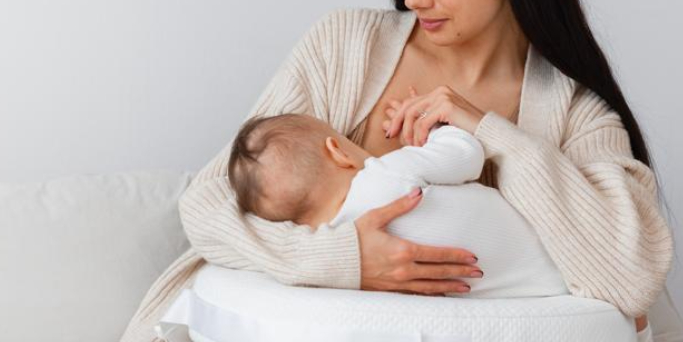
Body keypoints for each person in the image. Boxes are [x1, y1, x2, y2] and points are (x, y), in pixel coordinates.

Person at [120, 0, 673, 342]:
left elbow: (629, 276)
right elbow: (208, 202)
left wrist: (486, 130)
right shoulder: (344, 48)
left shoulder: (575, 113)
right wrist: (343, 258)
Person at [225, 112, 570, 299]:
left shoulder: (337, 252)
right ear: (337, 151)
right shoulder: (387, 174)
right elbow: (468, 154)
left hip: (519, 293)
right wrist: (433, 130)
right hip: (559, 255)